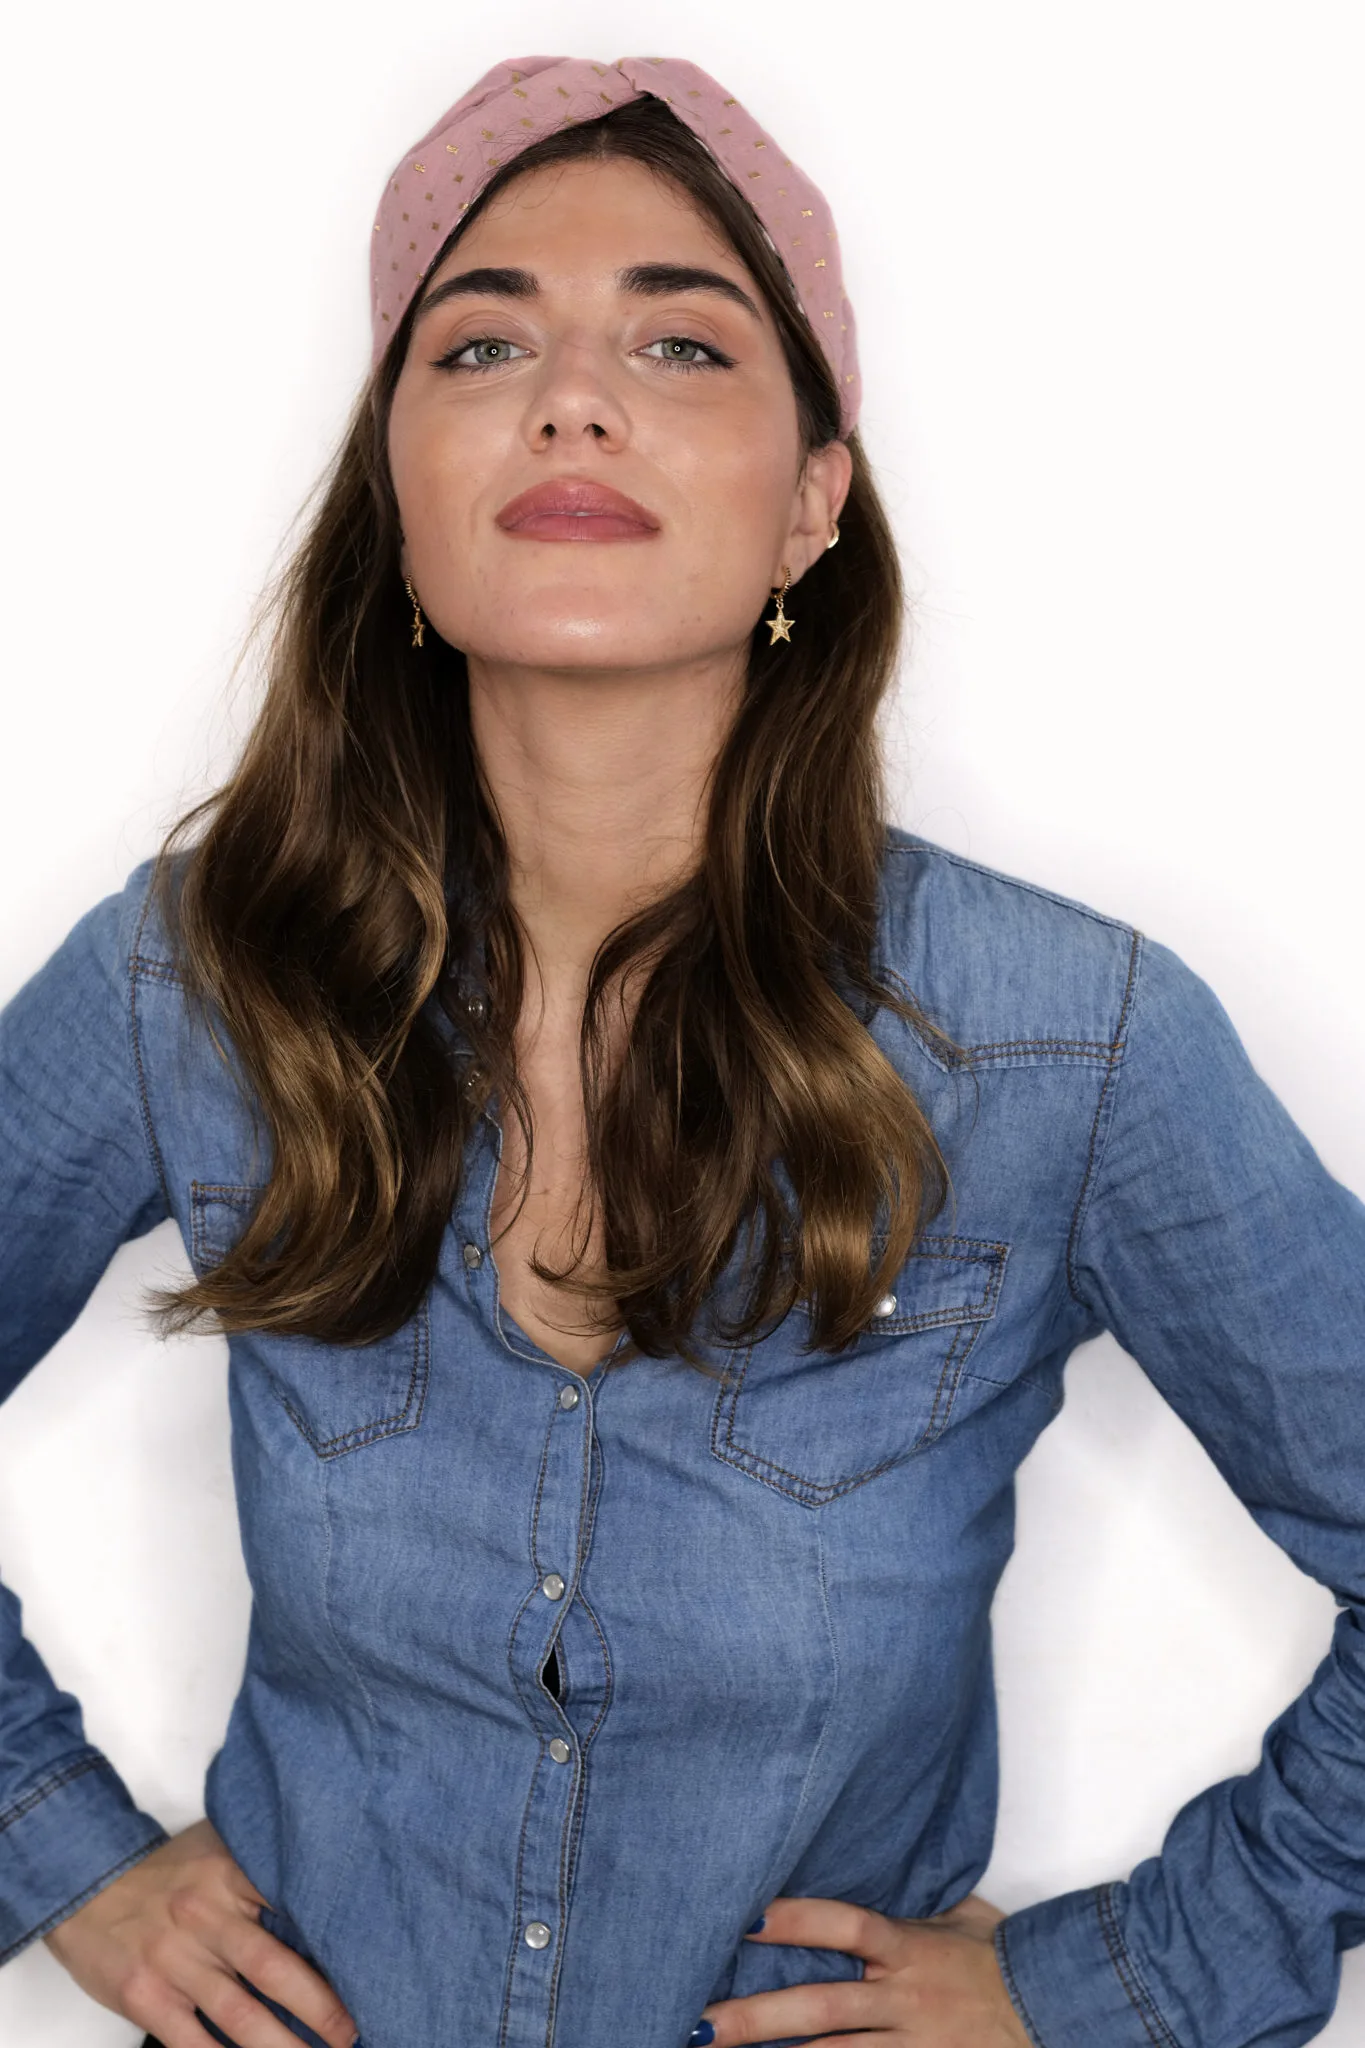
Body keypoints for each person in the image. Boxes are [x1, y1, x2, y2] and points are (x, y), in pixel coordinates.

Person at [0, 48, 1362, 2048]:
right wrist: (58, 1851)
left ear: (813, 503)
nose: (573, 397)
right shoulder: (192, 982)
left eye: (683, 344)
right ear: (397, 492)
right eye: (481, 346)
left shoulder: (1071, 1044)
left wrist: (1114, 1991)